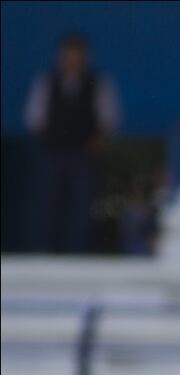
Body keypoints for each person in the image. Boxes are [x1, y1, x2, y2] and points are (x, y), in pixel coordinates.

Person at [24, 32, 121, 254]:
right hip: (53, 153)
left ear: (85, 57)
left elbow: (109, 118)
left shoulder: (98, 83)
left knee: (82, 208)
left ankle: (81, 254)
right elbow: (34, 118)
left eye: (77, 56)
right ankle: (49, 253)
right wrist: (51, 139)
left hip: (83, 155)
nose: (72, 60)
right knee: (50, 206)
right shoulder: (46, 82)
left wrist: (96, 142)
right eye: (68, 55)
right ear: (61, 57)